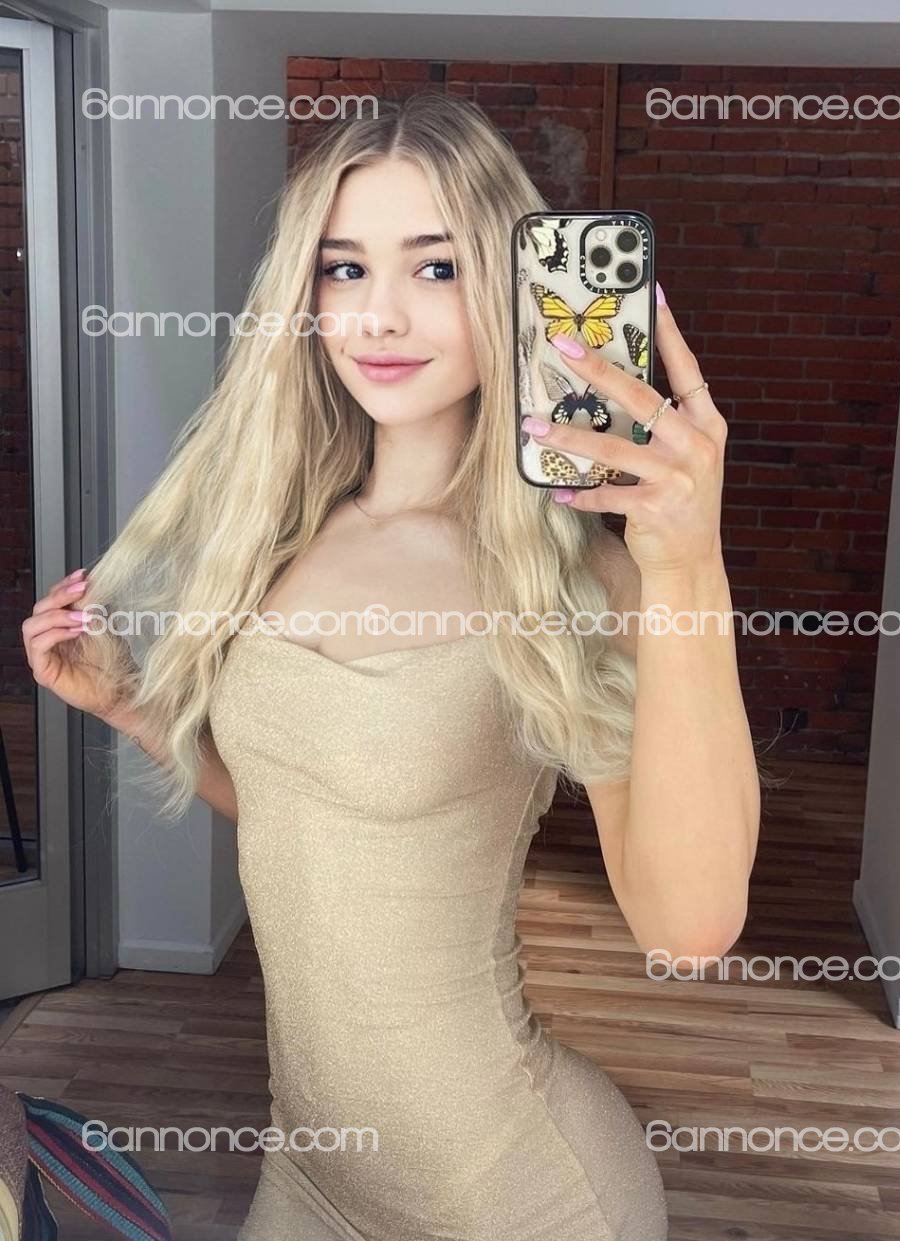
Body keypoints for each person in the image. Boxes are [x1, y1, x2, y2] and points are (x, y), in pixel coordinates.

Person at [22, 92, 762, 1240]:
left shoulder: (576, 577)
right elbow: (303, 813)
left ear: (510, 287)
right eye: (343, 267)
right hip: (312, 1176)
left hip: (518, 1193)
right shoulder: (271, 535)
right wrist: (128, 706)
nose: (378, 313)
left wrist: (688, 566)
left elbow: (689, 926)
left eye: (435, 266)